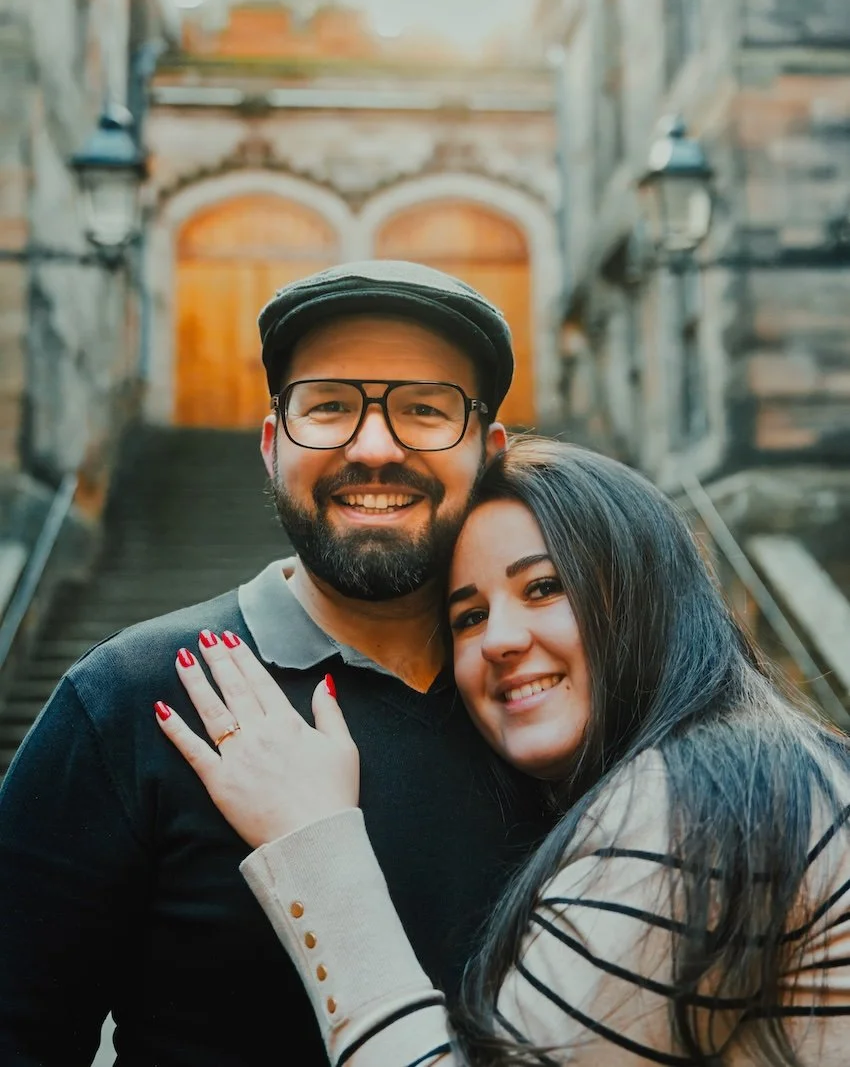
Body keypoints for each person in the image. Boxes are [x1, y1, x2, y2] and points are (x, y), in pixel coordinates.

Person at [0, 261, 549, 1067]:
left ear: (488, 449)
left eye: (425, 410)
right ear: (271, 445)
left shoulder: (549, 699)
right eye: (328, 406)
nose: (373, 445)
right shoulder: (129, 695)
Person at [160, 438, 850, 1066]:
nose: (498, 639)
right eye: (469, 616)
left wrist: (310, 839)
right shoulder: (786, 766)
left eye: (545, 586)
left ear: (645, 592)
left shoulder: (702, 799)